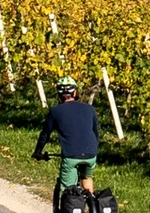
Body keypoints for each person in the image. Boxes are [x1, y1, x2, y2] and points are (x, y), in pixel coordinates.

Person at [33, 76, 100, 206]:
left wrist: (38, 152)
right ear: (75, 93)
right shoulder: (89, 109)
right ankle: (92, 205)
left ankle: (71, 207)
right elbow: (95, 132)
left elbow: (45, 134)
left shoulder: (55, 111)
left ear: (59, 94)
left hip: (71, 156)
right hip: (91, 154)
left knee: (68, 191)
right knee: (86, 178)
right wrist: (92, 149)